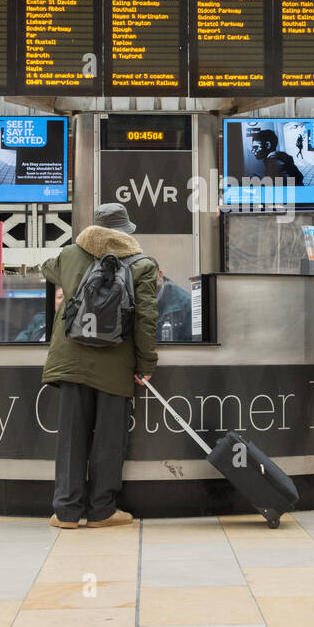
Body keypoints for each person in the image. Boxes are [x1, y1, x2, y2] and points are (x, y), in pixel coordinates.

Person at [40, 203, 158, 529]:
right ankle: (102, 510)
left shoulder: (68, 254)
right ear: (126, 231)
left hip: (72, 358)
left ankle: (65, 512)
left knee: (71, 438)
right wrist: (146, 362)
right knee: (109, 439)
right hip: (116, 364)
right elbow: (146, 319)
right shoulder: (143, 264)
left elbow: (46, 268)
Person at [156, 269, 192, 342]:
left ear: (160, 275)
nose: (145, 283)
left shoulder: (185, 302)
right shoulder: (134, 300)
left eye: (148, 277)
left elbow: (191, 344)